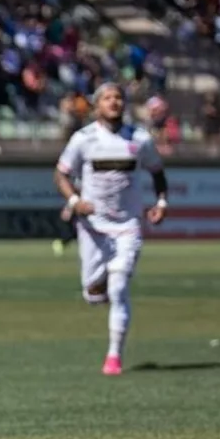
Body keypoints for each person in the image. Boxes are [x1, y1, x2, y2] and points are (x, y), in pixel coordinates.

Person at [53, 82, 169, 376]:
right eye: (108, 98)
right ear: (96, 105)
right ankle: (99, 284)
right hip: (93, 227)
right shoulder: (84, 139)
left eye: (118, 97)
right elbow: (61, 174)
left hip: (128, 225)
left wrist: (161, 201)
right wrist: (75, 200)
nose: (114, 102)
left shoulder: (140, 139)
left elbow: (157, 171)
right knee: (93, 293)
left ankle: (114, 356)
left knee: (118, 288)